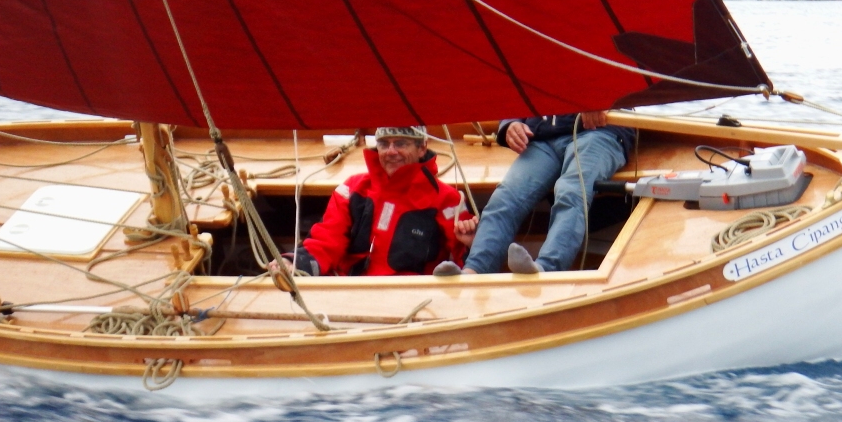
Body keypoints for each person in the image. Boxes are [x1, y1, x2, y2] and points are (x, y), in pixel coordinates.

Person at [434, 111, 635, 275]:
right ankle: (474, 270)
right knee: (506, 197)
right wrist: (511, 123)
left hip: (599, 132)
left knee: (570, 191)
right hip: (544, 139)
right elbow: (517, 90)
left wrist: (601, 102)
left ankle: (547, 269)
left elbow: (631, 75)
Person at [269, 127, 477, 279]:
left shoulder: (447, 199)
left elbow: (465, 261)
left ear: (422, 148)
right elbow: (327, 240)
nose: (391, 151)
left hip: (412, 298)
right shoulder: (352, 189)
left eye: (401, 143)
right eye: (384, 144)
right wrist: (293, 263)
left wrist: (470, 243)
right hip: (350, 292)